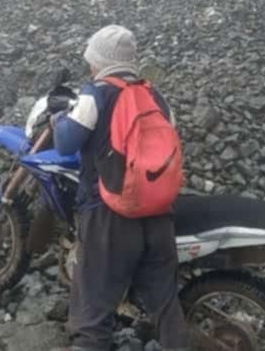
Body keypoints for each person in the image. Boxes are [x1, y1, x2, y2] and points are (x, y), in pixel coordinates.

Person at [52, 25, 189, 351]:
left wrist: (59, 119)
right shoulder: (156, 96)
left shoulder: (96, 93)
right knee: (166, 307)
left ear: (99, 61)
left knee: (92, 313)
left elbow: (65, 144)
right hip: (158, 216)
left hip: (109, 215)